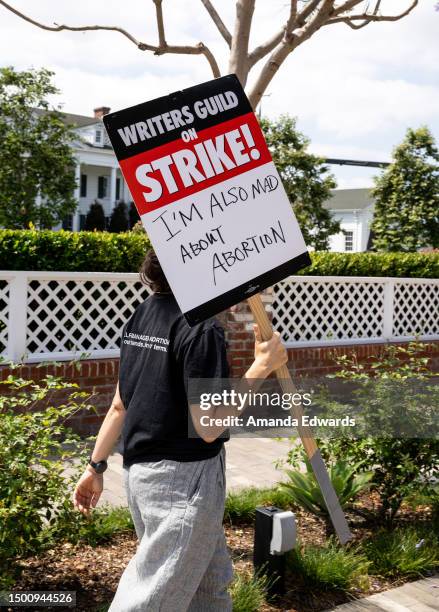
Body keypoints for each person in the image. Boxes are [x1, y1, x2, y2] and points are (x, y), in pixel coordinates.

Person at [73, 249, 288, 612]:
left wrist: (94, 467)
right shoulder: (202, 329)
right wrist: (261, 367)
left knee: (209, 590)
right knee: (149, 599)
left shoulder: (144, 314)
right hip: (184, 482)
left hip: (141, 475)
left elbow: (119, 404)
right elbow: (208, 426)